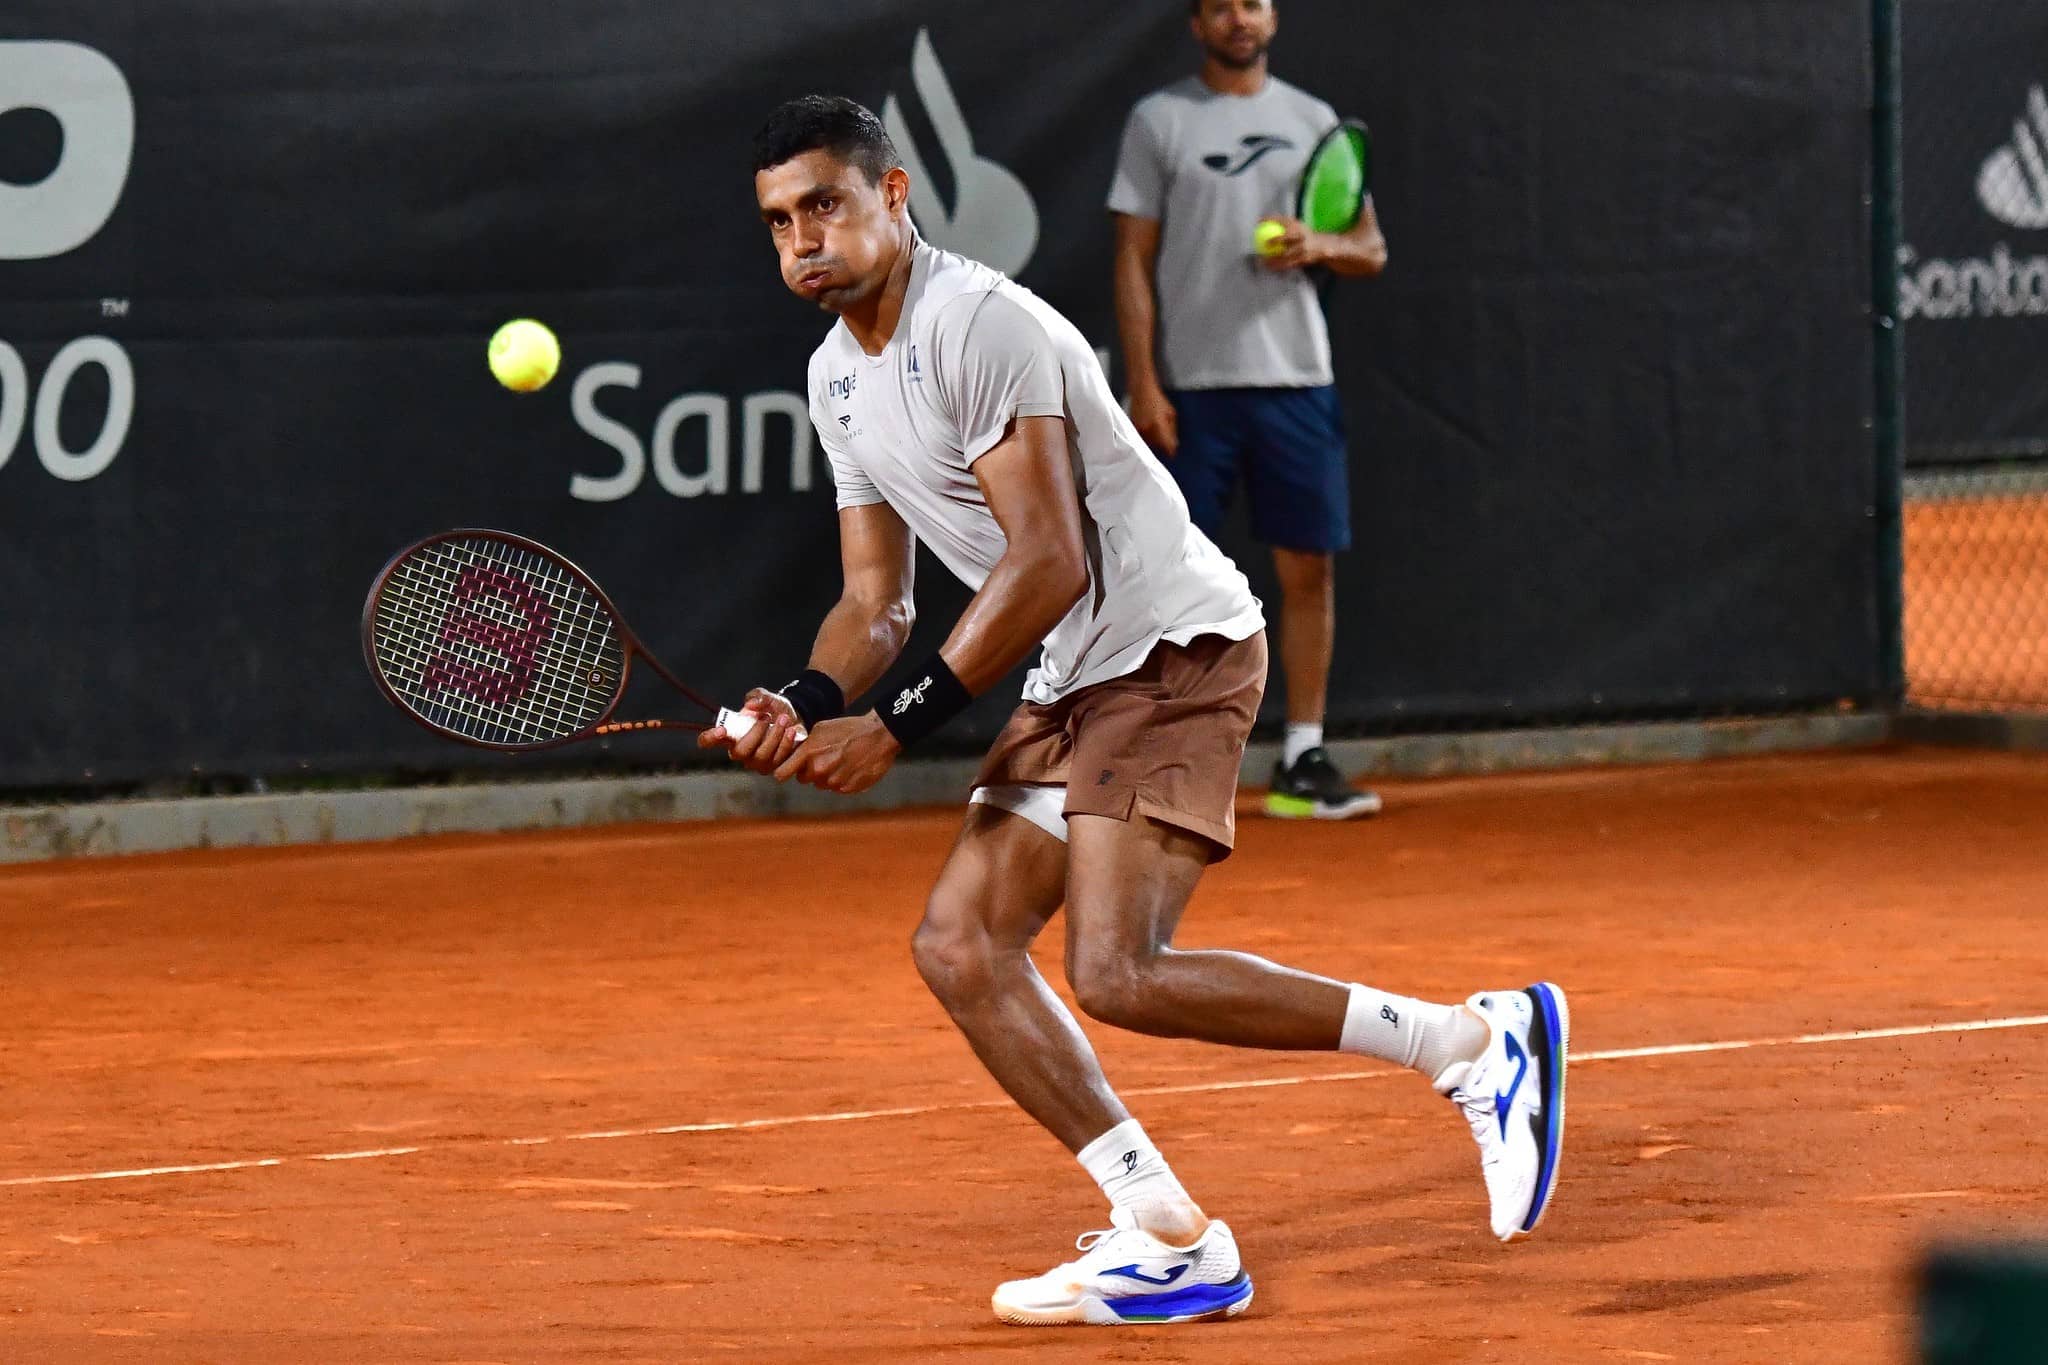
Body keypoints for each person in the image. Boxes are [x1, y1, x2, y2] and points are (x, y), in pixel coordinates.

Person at [708, 94, 1568, 1328]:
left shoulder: (976, 324)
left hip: (1171, 646)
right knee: (960, 946)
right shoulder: (832, 375)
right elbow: (872, 603)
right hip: (1074, 670)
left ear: (893, 196)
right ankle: (1167, 1234)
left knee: (1117, 971)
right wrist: (796, 698)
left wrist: (890, 727)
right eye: (780, 220)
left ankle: (1472, 1051)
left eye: (826, 205)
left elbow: (1048, 556)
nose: (803, 239)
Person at [1111, 0, 1387, 820]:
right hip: (1192, 389)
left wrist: (1319, 244)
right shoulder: (1159, 120)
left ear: (1272, 18)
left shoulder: (1312, 119)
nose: (1241, 17)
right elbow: (1132, 257)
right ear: (1199, 24)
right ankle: (1161, 755)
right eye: (1223, 5)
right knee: (1168, 578)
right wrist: (1144, 382)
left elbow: (1370, 247)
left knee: (1309, 568)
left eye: (1255, 2)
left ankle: (1302, 753)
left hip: (1296, 380)